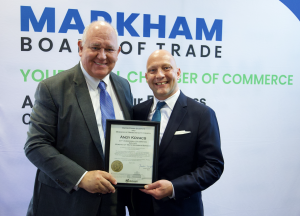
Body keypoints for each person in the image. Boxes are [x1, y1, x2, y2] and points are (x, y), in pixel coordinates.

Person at [24, 21, 134, 216]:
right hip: (66, 205)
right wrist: (81, 178)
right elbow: (36, 145)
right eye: (95, 47)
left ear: (118, 53)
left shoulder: (123, 86)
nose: (102, 55)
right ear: (80, 48)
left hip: (113, 205)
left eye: (109, 49)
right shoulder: (52, 88)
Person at [132, 50, 224, 216]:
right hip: (141, 209)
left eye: (166, 68)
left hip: (181, 209)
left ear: (178, 72)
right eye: (153, 70)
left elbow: (213, 166)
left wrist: (174, 187)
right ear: (146, 77)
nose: (159, 75)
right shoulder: (137, 112)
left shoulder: (202, 114)